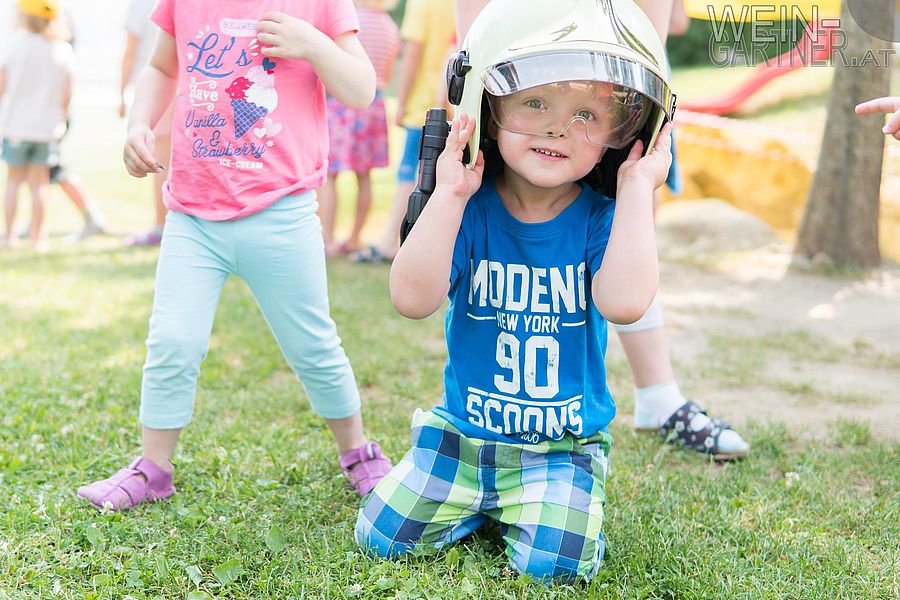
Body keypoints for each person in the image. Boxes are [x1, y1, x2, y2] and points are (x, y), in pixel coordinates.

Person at [357, 0, 675, 582]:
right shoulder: (468, 208)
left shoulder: (603, 218)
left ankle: (529, 506)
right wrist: (447, 196)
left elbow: (627, 304)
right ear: (486, 107)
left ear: (624, 133)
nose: (558, 127)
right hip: (462, 438)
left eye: (587, 113)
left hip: (559, 450)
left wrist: (636, 188)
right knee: (380, 536)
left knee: (555, 567)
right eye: (534, 102)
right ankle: (488, 507)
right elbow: (410, 299)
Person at [76, 0, 392, 511]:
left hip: (281, 213)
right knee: (172, 341)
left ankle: (357, 452)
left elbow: (360, 88)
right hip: (193, 215)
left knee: (312, 346)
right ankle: (153, 467)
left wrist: (312, 44)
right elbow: (161, 66)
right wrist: (139, 122)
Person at [452, 0, 749, 460]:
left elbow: (658, 24)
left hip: (615, 63)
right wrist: (477, 89)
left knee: (621, 227)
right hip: (518, 57)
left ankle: (658, 394)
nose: (559, 130)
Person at [351, 0, 455, 263]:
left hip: (424, 106)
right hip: (454, 105)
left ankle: (392, 242)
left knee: (410, 174)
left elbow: (412, 55)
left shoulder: (423, 5)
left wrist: (404, 101)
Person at [317, 0, 401, 256]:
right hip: (374, 104)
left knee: (329, 175)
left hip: (342, 104)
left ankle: (328, 239)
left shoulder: (349, 22)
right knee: (365, 175)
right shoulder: (389, 26)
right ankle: (355, 238)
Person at [0, 0, 75, 252]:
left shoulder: (14, 46)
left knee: (12, 182)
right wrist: (61, 118)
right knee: (39, 184)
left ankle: (9, 236)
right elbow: (67, 93)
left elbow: (2, 87)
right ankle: (38, 237)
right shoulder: (62, 50)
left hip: (15, 128)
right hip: (46, 129)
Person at [120, 0, 173, 247]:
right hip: (176, 84)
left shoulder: (139, 6)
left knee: (159, 161)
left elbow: (130, 52)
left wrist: (121, 92)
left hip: (160, 89)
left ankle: (163, 226)